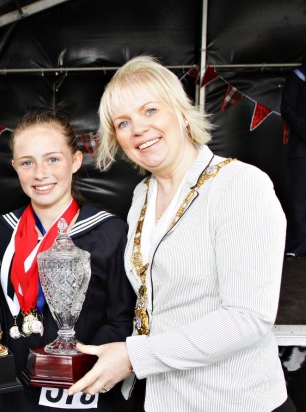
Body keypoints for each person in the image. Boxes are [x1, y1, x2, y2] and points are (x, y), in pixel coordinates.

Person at [68, 56, 294, 412]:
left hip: (232, 402)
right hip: (163, 400)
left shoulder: (239, 185)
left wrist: (132, 356)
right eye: (123, 122)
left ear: (181, 111)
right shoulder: (143, 195)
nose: (138, 128)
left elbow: (248, 317)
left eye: (150, 110)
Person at [0, 109, 136, 411]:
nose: (40, 173)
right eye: (28, 163)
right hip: (11, 396)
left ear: (76, 161)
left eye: (53, 159)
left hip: (83, 394)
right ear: (15, 167)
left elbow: (123, 319)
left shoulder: (110, 233)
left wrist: (78, 361)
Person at [281, 59, 306, 260]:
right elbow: (287, 109)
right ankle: (297, 244)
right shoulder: (297, 77)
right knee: (299, 199)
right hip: (301, 151)